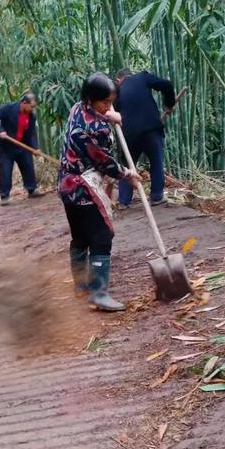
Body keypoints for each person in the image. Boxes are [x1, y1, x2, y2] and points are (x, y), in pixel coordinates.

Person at [57, 73, 140, 312]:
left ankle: (81, 285)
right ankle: (99, 292)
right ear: (90, 99)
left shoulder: (77, 108)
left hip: (66, 185)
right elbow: (104, 161)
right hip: (83, 188)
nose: (108, 106)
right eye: (104, 102)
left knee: (80, 237)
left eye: (110, 101)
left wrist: (112, 115)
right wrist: (127, 174)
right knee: (102, 236)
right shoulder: (94, 128)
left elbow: (103, 116)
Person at [114, 68, 176, 207]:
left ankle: (124, 201)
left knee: (127, 166)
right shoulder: (142, 77)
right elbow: (166, 84)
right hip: (151, 129)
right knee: (156, 162)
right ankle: (156, 196)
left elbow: (114, 114)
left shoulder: (116, 92)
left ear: (118, 80)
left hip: (128, 135)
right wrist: (169, 104)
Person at [0, 91, 45, 205]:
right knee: (6, 170)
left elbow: (32, 132)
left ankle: (32, 189)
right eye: (31, 106)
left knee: (28, 166)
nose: (32, 109)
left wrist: (35, 147)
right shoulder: (9, 108)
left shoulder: (31, 116)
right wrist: (0, 130)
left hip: (22, 145)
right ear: (24, 103)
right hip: (6, 147)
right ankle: (4, 196)